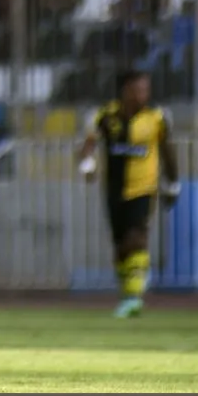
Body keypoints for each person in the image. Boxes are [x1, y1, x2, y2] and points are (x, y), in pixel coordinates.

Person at [77, 70, 180, 319]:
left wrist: (173, 183)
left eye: (146, 89)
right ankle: (128, 291)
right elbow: (87, 147)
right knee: (121, 246)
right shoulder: (104, 116)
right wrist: (87, 165)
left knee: (137, 237)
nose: (143, 95)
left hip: (144, 188)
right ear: (125, 91)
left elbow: (168, 151)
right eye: (137, 90)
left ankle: (135, 296)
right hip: (114, 190)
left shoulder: (157, 118)